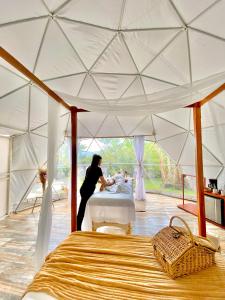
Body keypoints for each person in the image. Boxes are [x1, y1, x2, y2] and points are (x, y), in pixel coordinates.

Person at [77, 154, 112, 230]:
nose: (101, 162)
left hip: (83, 188)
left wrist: (103, 183)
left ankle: (78, 227)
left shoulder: (89, 168)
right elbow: (104, 183)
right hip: (88, 190)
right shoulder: (98, 169)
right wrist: (112, 183)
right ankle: (78, 228)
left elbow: (93, 179)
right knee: (82, 208)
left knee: (82, 208)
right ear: (97, 161)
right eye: (100, 160)